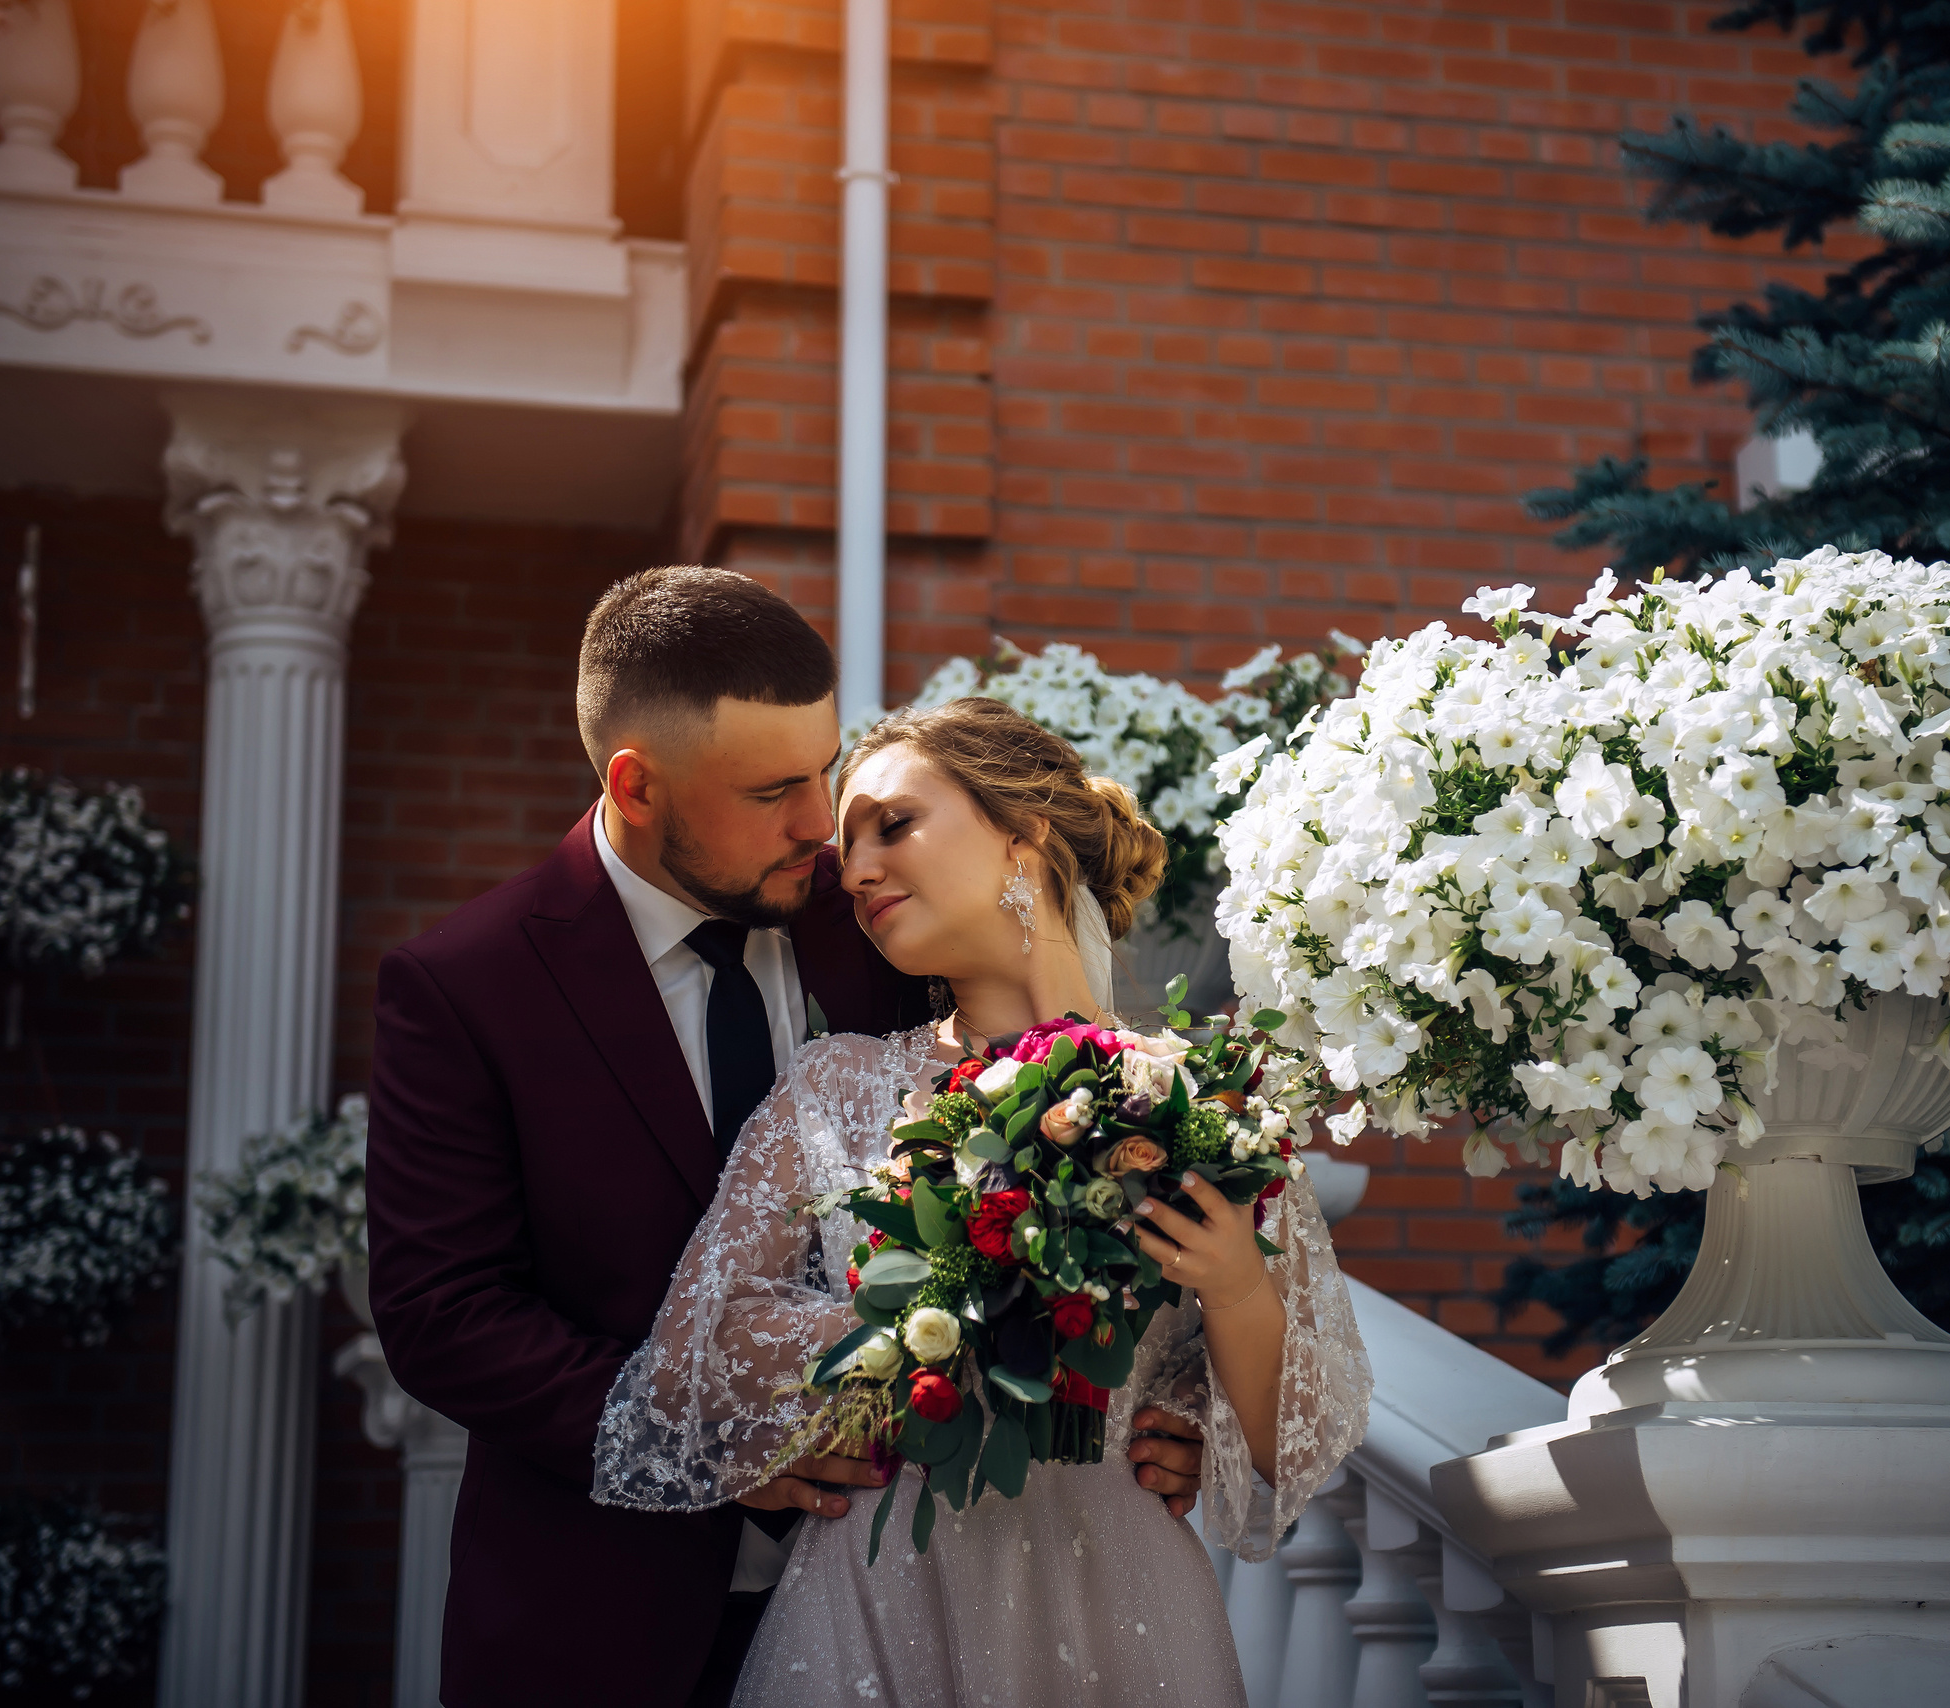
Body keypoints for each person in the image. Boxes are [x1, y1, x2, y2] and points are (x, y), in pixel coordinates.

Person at [364, 570, 1212, 1708]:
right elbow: (442, 1311)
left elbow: (1044, 1128)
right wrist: (716, 1443)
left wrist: (1169, 1410)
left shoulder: (878, 915)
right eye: (774, 791)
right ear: (636, 785)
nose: (822, 826)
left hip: (930, 1605)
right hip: (600, 1615)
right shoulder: (466, 984)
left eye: (824, 768)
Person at [591, 697, 1373, 1707]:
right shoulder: (836, 1086)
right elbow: (696, 1347)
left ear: (1021, 833)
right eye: (847, 849)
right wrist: (926, 1320)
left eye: (892, 825)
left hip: (1120, 1604)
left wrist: (1230, 1285)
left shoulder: (1202, 1101)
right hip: (882, 1590)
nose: (856, 871)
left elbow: (1288, 1443)